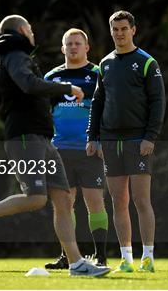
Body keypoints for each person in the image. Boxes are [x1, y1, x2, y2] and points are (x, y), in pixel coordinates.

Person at [0, 15, 110, 277]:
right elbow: (29, 85)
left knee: (62, 199)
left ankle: (76, 263)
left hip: (42, 140)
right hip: (25, 138)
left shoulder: (5, 59)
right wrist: (66, 87)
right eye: (29, 28)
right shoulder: (16, 55)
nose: (32, 32)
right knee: (36, 198)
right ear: (21, 31)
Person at [87, 10, 165, 273]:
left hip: (138, 141)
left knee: (141, 201)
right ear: (111, 32)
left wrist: (150, 137)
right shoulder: (105, 64)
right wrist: (92, 137)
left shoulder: (147, 63)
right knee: (118, 201)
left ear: (133, 30)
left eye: (124, 28)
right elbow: (97, 103)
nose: (119, 33)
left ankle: (148, 257)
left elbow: (158, 103)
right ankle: (126, 258)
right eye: (115, 29)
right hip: (110, 142)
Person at [43, 28, 109, 269]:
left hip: (90, 148)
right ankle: (68, 257)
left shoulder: (98, 74)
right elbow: (44, 112)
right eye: (68, 43)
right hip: (59, 149)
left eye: (77, 43)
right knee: (63, 204)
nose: (73, 47)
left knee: (94, 201)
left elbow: (106, 110)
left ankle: (100, 255)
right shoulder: (52, 77)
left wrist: (100, 139)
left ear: (87, 47)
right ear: (62, 48)